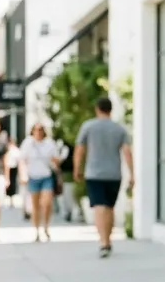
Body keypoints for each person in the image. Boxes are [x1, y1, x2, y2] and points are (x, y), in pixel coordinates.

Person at [73, 97, 133, 258]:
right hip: (114, 174)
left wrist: (77, 168)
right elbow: (127, 152)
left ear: (97, 109)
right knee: (109, 207)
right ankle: (108, 239)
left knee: (99, 207)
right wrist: (132, 174)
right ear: (111, 110)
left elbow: (79, 149)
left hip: (94, 173)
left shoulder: (88, 126)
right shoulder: (119, 129)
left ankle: (103, 242)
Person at [20, 122, 61, 242]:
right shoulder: (28, 143)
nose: (38, 132)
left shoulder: (49, 143)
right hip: (33, 177)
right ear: (32, 131)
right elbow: (22, 160)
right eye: (36, 130)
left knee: (46, 203)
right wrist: (23, 175)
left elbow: (56, 160)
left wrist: (54, 161)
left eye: (40, 130)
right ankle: (37, 230)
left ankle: (46, 227)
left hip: (46, 176)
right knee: (35, 205)